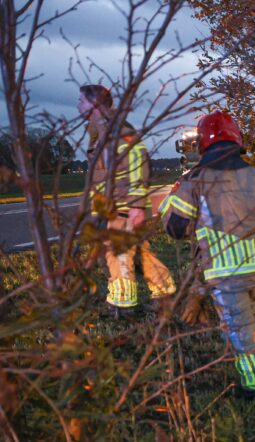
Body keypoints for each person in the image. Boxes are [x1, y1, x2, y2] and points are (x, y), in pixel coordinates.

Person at [158, 111, 255, 400]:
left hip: (226, 272)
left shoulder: (195, 180)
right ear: (237, 140)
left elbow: (176, 228)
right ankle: (254, 373)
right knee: (246, 322)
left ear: (202, 143)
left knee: (242, 335)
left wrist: (173, 197)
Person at [78, 84, 175, 315]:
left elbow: (137, 163)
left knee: (117, 254)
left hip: (122, 208)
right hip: (113, 209)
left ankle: (122, 306)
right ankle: (165, 293)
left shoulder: (117, 131)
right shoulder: (99, 133)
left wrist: (137, 207)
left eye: (81, 100)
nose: (77, 105)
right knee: (140, 253)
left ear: (94, 104)